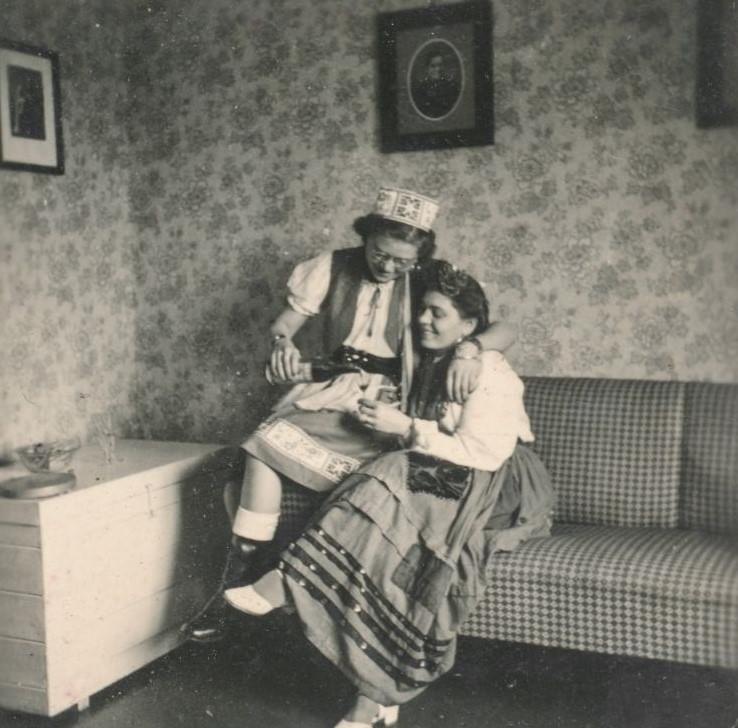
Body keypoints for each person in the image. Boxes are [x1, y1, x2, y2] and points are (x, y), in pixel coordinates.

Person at [223, 260, 554, 728]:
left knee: (391, 478)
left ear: (468, 326)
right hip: (442, 465)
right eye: (421, 311)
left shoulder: (488, 367)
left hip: (496, 481)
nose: (423, 320)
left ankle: (289, 581)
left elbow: (481, 451)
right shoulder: (425, 358)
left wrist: (408, 426)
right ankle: (374, 698)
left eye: (437, 314)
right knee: (388, 524)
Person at [183, 188, 517, 642]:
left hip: (390, 402)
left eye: (402, 261)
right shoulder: (330, 267)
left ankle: (242, 589)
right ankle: (242, 581)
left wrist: (469, 349)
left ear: (418, 256)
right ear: (366, 238)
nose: (389, 267)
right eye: (380, 254)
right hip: (333, 387)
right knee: (252, 453)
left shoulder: (427, 280)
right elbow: (284, 324)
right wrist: (283, 343)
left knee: (261, 449)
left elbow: (502, 326)